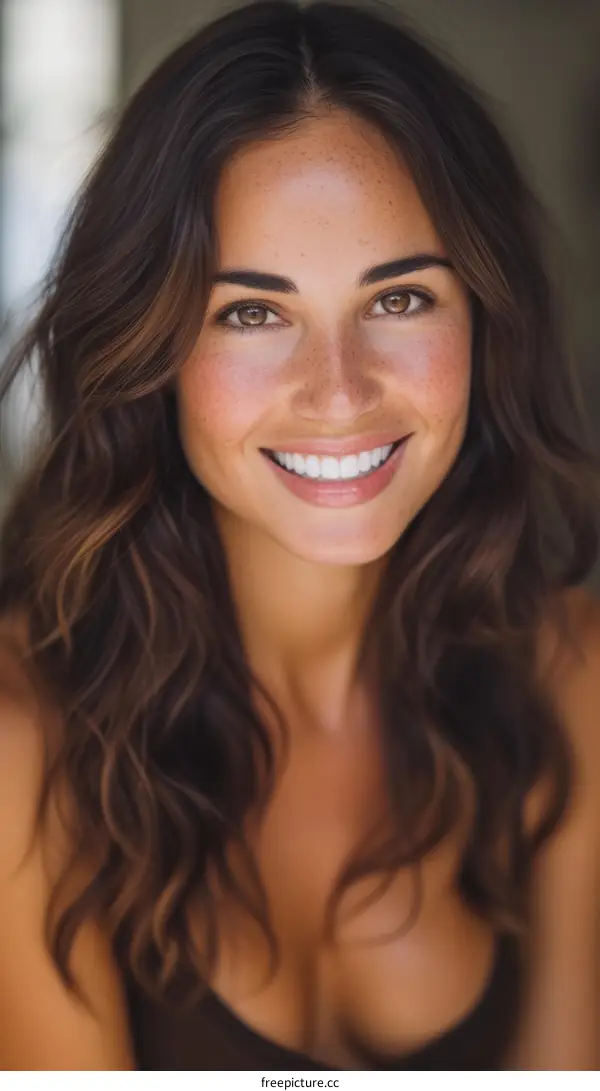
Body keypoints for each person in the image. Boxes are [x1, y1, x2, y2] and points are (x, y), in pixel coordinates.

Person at [0, 0, 599, 1072]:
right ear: (149, 349)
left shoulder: (575, 680)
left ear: (484, 318)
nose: (339, 392)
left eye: (401, 297)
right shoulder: (25, 731)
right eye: (251, 313)